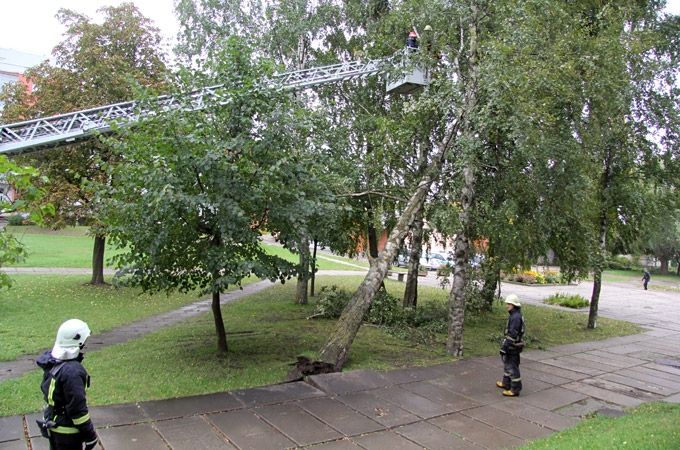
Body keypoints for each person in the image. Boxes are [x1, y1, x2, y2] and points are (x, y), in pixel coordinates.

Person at [36, 319, 99, 450]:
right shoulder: (72, 372)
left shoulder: (53, 363)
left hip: (53, 427)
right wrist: (90, 436)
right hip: (68, 434)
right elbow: (77, 410)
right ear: (78, 342)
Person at [496, 294, 525, 397]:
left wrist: (505, 347)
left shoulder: (515, 317)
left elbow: (512, 334)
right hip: (512, 345)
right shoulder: (514, 315)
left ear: (514, 305)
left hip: (513, 346)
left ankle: (515, 389)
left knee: (512, 367)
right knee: (507, 365)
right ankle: (506, 384)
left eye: (509, 304)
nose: (507, 306)